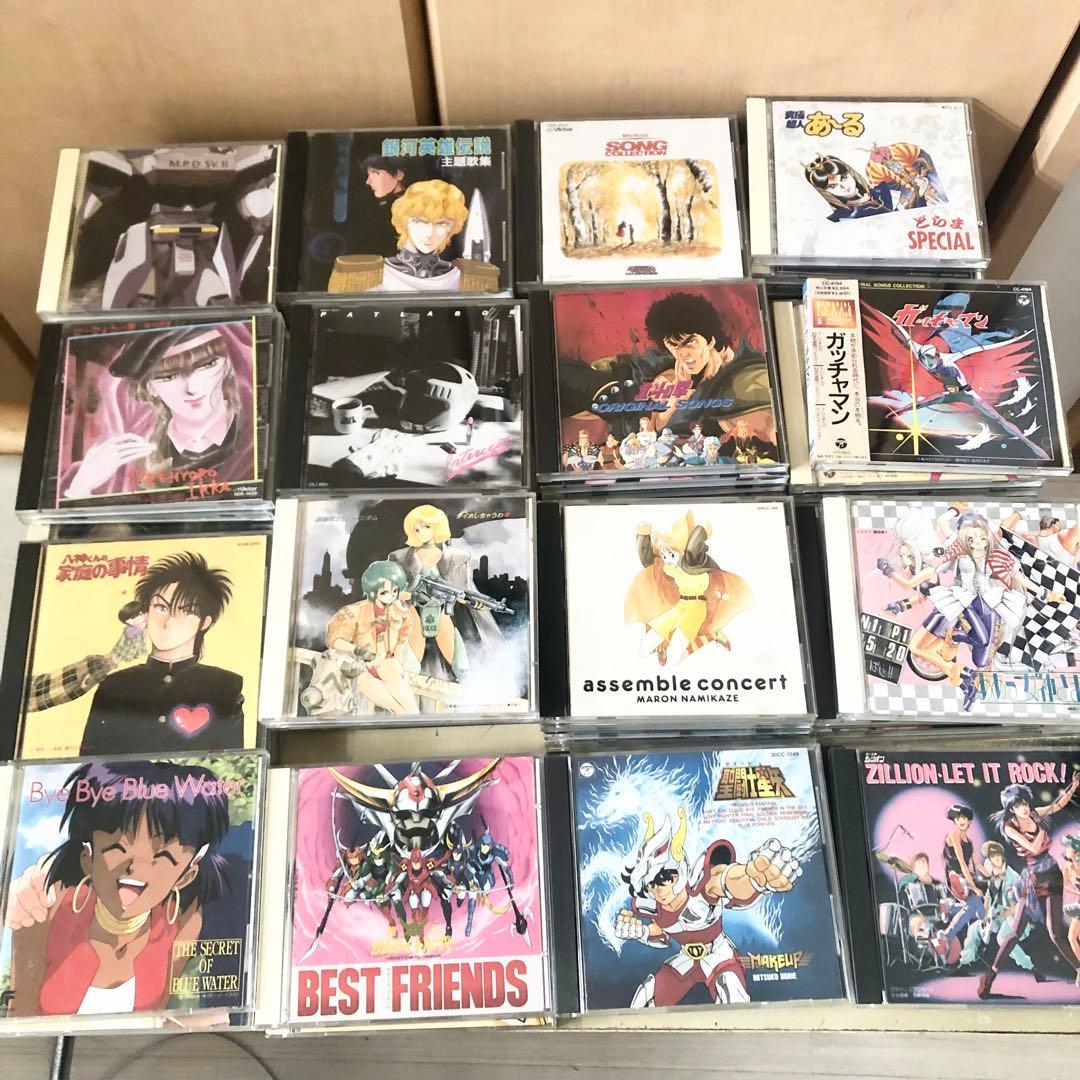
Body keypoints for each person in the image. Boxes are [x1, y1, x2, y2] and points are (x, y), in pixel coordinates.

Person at [3, 759, 231, 1017]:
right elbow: (18, 1017)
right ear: (88, 858)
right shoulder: (47, 907)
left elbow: (155, 1018)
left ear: (186, 875)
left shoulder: (184, 922)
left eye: (163, 856)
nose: (134, 867)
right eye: (117, 848)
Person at [28, 553, 244, 755]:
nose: (169, 621)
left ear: (205, 623)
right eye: (160, 607)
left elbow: (235, 765)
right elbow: (90, 763)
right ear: (145, 612)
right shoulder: (114, 685)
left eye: (187, 611)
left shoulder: (226, 685)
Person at [61, 325, 252, 502]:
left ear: (227, 366)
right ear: (150, 387)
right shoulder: (128, 460)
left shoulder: (252, 437)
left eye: (207, 365)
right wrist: (80, 488)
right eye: (169, 376)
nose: (192, 388)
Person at [979, 773, 1080, 997]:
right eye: (1018, 806)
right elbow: (1033, 848)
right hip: (1032, 881)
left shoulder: (1035, 813)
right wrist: (1041, 829)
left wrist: (1073, 786)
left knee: (1055, 933)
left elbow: (1057, 805)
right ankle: (988, 979)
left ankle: (1079, 969)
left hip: (1052, 876)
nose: (1024, 808)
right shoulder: (1009, 826)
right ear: (1011, 809)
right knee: (1014, 932)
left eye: (1025, 803)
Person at [642, 292, 775, 442]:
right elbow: (656, 428)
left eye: (690, 342)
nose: (682, 354)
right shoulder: (672, 377)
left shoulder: (746, 375)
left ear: (710, 340)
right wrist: (678, 393)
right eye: (673, 345)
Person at [327, 180, 499, 293]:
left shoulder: (473, 278)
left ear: (452, 228)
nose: (429, 233)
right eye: (420, 222)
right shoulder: (359, 274)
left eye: (442, 223)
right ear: (404, 221)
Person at [324, 560, 420, 716]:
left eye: (395, 591)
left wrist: (398, 652)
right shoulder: (354, 611)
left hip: (389, 664)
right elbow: (335, 639)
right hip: (363, 666)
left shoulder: (399, 611)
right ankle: (404, 714)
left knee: (387, 668)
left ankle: (413, 715)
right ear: (373, 591)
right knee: (364, 682)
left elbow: (404, 632)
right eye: (385, 592)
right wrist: (359, 651)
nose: (392, 596)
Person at [803, 154, 894, 221]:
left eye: (844, 178)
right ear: (824, 191)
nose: (843, 186)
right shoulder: (841, 217)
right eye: (832, 186)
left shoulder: (882, 190)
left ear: (851, 173)